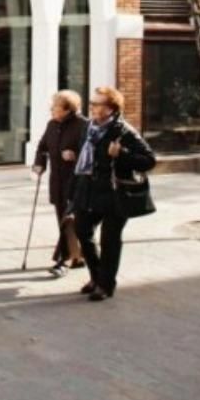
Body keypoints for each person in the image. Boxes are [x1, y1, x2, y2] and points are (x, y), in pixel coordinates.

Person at [66, 85, 156, 301]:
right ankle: (97, 276)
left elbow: (149, 160)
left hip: (115, 193)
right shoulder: (89, 127)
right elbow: (87, 158)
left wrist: (122, 153)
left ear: (111, 108)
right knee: (82, 230)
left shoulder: (124, 131)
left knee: (110, 239)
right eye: (92, 103)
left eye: (97, 104)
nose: (92, 107)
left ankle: (106, 285)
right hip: (88, 189)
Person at [32, 89, 88, 277]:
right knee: (64, 221)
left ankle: (61, 261)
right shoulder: (51, 125)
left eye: (55, 107)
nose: (51, 110)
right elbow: (42, 146)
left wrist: (75, 155)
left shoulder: (83, 125)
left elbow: (91, 154)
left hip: (77, 182)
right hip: (57, 181)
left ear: (67, 109)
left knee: (68, 220)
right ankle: (79, 256)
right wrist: (39, 164)